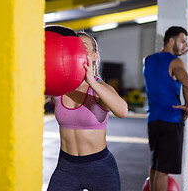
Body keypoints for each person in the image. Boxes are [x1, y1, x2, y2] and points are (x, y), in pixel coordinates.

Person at [45, 26, 128, 191]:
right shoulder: (59, 88)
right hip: (66, 167)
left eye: (83, 47)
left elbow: (122, 111)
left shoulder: (100, 88)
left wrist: (92, 81)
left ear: (94, 56)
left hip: (100, 167)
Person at [143, 26, 188, 191]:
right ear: (172, 41)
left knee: (155, 165)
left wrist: (176, 56)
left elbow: (163, 69)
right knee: (163, 171)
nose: (185, 44)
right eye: (183, 40)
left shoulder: (148, 60)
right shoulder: (176, 62)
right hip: (170, 120)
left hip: (153, 121)